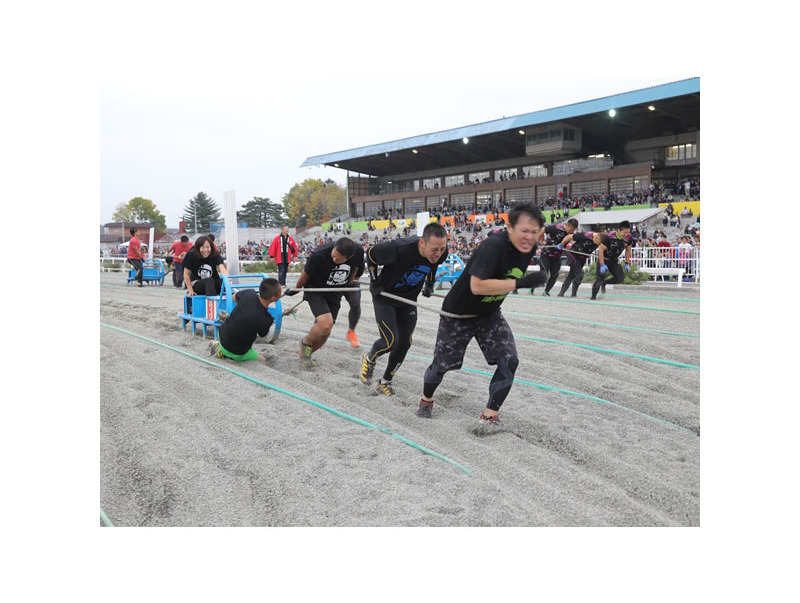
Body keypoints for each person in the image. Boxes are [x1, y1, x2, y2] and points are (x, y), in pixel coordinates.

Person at [416, 203, 547, 428]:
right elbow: (477, 286)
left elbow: (539, 232)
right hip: (458, 314)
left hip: (489, 313)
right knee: (441, 366)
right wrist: (521, 282)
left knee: (509, 361)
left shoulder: (529, 244)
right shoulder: (493, 247)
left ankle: (489, 416)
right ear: (509, 228)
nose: (529, 237)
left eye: (534, 232)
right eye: (524, 231)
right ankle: (426, 400)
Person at [359, 223, 448, 396]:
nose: (438, 253)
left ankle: (385, 381)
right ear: (422, 243)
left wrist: (430, 283)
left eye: (442, 249)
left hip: (408, 299)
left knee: (404, 343)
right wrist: (374, 281)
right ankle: (369, 359)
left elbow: (433, 265)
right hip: (385, 296)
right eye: (435, 249)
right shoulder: (400, 248)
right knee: (391, 341)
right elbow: (370, 254)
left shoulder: (440, 254)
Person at [284, 237, 364, 364]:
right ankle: (305, 343)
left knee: (326, 331)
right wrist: (296, 289)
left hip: (334, 292)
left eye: (338, 259)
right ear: (334, 248)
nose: (334, 260)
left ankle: (306, 354)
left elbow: (357, 268)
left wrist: (350, 282)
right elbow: (306, 273)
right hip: (316, 289)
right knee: (325, 323)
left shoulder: (358, 252)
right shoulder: (319, 254)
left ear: (348, 257)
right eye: (333, 256)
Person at [209, 278, 282, 363]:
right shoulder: (265, 319)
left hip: (221, 334)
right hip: (237, 351)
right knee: (263, 360)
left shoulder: (249, 293)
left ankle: (218, 345)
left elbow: (234, 298)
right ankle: (223, 352)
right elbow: (264, 336)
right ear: (273, 298)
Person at [535, 218, 578, 296]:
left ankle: (546, 292)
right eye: (571, 229)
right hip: (546, 254)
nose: (572, 232)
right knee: (543, 275)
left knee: (555, 275)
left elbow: (572, 241)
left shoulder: (570, 235)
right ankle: (532, 287)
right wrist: (539, 241)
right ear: (567, 226)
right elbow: (543, 229)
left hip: (557, 257)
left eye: (573, 230)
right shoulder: (557, 227)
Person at [591, 221, 633, 300]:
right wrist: (602, 264)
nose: (626, 234)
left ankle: (605, 283)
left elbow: (628, 250)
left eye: (628, 232)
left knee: (620, 278)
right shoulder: (609, 237)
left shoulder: (629, 237)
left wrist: (627, 262)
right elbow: (601, 250)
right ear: (619, 230)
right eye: (624, 232)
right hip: (604, 259)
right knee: (599, 279)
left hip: (614, 260)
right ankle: (593, 298)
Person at [557, 230, 602, 297]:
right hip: (574, 254)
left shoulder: (601, 240)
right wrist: (562, 244)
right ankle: (573, 295)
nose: (599, 245)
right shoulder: (585, 235)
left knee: (571, 275)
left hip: (583, 257)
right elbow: (569, 237)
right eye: (599, 243)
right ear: (596, 238)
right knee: (579, 273)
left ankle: (561, 293)